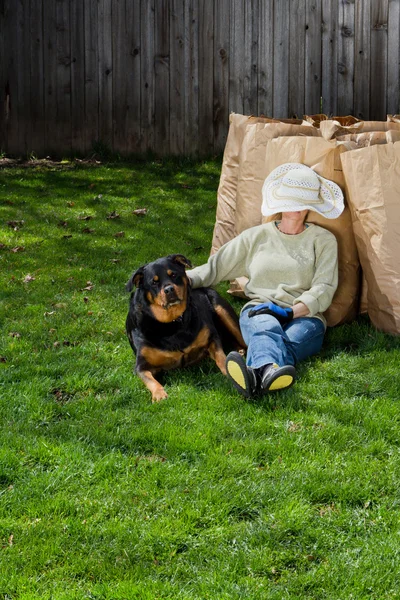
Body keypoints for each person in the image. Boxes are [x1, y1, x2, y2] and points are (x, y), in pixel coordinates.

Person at [187, 163, 345, 397]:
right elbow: (215, 267)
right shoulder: (256, 237)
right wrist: (182, 282)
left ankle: (254, 376)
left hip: (306, 316)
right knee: (265, 328)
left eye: (301, 202)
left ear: (310, 205)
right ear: (280, 201)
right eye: (291, 200)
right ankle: (269, 374)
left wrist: (291, 313)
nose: (295, 207)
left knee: (291, 339)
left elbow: (324, 287)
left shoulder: (323, 240)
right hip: (260, 308)